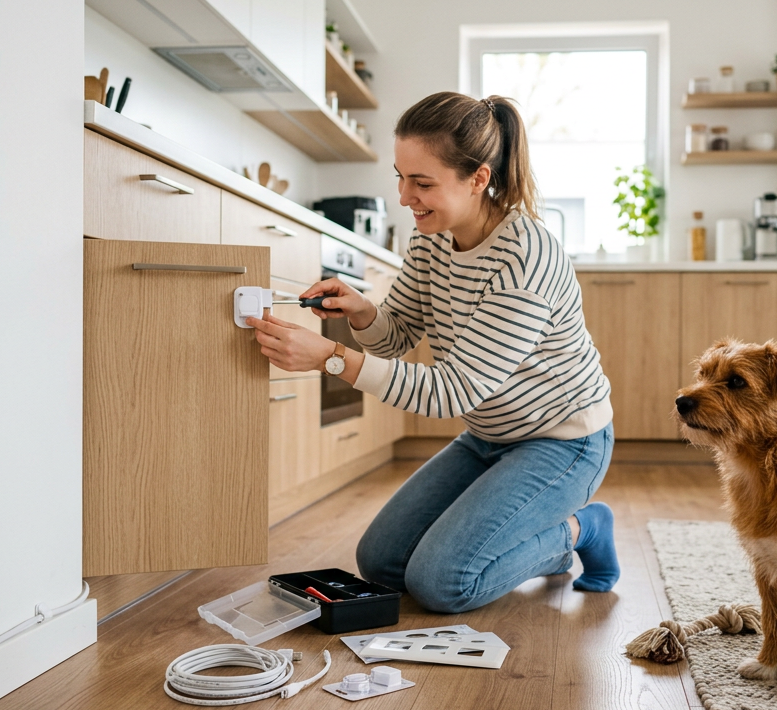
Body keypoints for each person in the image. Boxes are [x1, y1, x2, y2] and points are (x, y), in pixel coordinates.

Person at [244, 91, 618, 613]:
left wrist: (332, 358)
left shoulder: (524, 258)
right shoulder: (431, 238)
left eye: (422, 183)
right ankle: (527, 538)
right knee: (382, 564)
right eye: (400, 176)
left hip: (562, 441)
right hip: (489, 435)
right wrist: (360, 312)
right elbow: (397, 335)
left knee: (445, 583)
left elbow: (453, 390)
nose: (404, 196)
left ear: (478, 179)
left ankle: (580, 528)